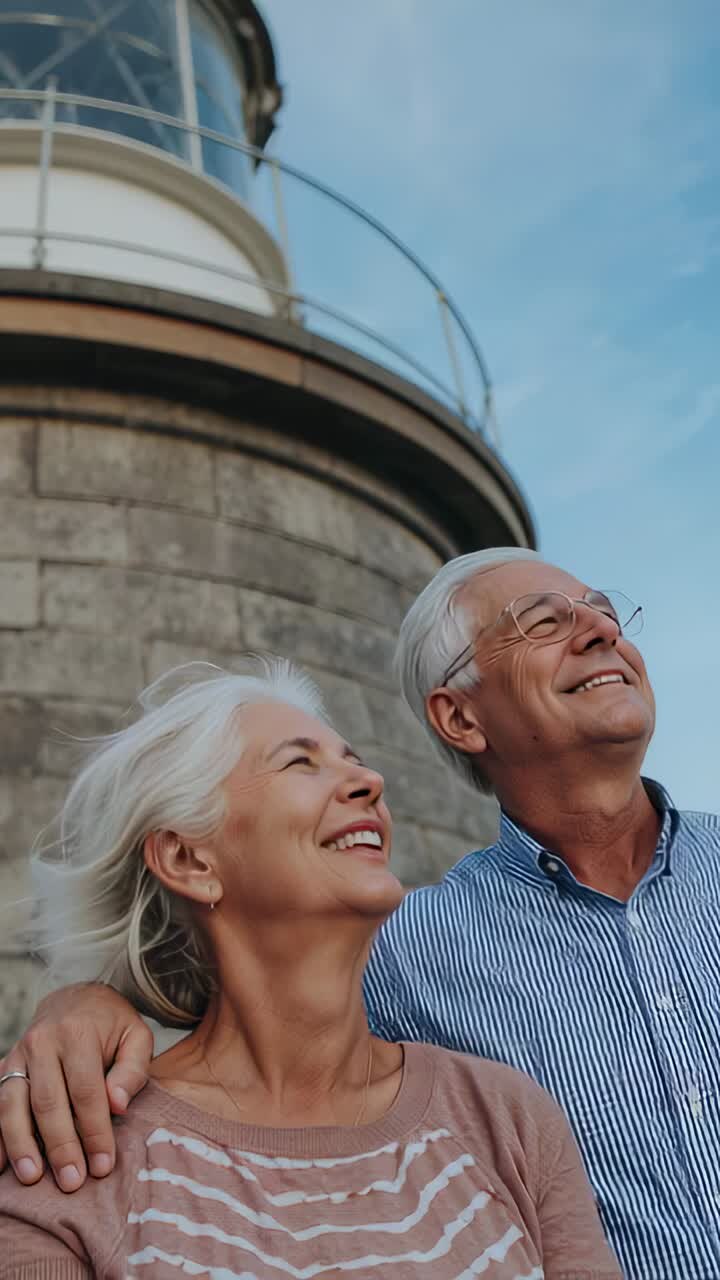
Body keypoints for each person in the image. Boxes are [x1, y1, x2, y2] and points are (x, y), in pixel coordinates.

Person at [2, 548, 716, 1279]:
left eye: (605, 610)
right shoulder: (410, 949)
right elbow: (247, 986)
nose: (601, 630)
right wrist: (81, 1001)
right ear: (459, 717)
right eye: (542, 621)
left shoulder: (506, 1116)